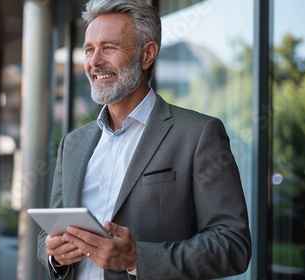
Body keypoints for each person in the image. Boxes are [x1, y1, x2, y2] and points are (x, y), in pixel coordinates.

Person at [36, 0, 251, 279]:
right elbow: (49, 234)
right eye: (89, 49)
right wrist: (54, 255)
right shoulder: (73, 143)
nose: (94, 61)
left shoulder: (198, 134)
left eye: (109, 47)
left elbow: (232, 245)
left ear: (147, 54)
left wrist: (137, 258)